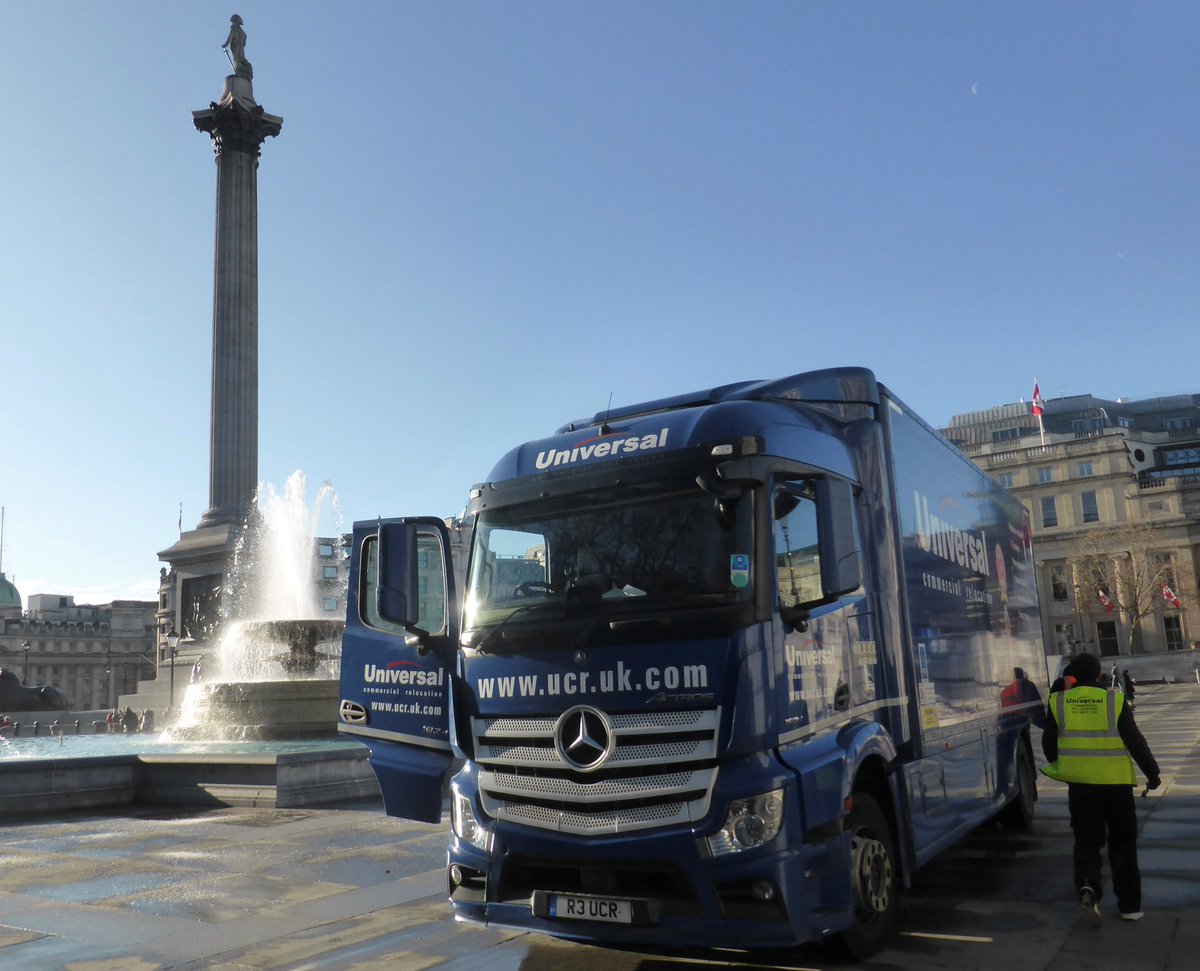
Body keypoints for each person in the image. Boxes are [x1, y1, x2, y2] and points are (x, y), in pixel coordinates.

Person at [1041, 652, 1160, 924]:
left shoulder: (1058, 702)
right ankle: (1130, 906)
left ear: (1072, 675)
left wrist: (1069, 764)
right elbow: (1135, 742)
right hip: (1116, 786)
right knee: (1123, 844)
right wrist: (1152, 775)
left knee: (1086, 842)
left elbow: (1048, 746)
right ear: (1098, 674)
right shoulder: (1114, 700)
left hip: (1081, 787)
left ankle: (1088, 887)